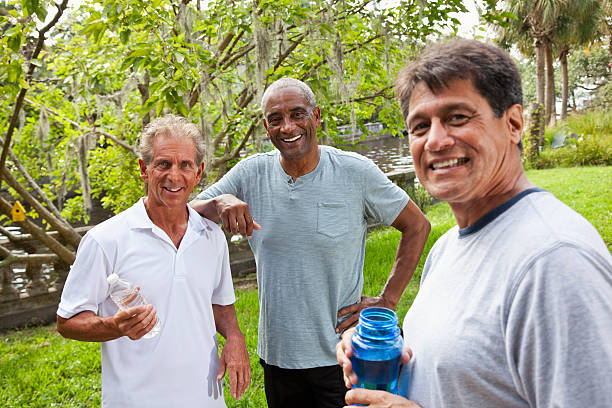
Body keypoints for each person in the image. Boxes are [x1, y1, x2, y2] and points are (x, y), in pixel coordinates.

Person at [336, 38, 612, 407]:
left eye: (457, 118)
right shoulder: (449, 246)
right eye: (419, 126)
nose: (435, 140)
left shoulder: (554, 261)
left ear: (513, 123)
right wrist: (379, 353)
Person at [190, 77, 431, 408]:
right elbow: (183, 215)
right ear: (266, 125)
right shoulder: (251, 173)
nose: (287, 126)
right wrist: (218, 202)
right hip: (278, 357)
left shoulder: (354, 172)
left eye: (297, 114)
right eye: (276, 118)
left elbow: (417, 225)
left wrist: (388, 301)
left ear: (316, 116)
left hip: (342, 354)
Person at [56, 114, 251, 408]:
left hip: (206, 399)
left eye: (185, 165)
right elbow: (67, 321)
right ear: (144, 170)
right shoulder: (105, 240)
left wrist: (235, 337)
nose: (174, 175)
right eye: (163, 164)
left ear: (198, 173)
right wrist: (115, 326)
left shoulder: (211, 235)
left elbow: (220, 303)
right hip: (135, 400)